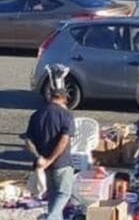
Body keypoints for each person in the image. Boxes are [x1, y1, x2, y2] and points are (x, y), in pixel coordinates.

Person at [23, 87, 76, 220]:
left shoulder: (36, 115)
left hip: (44, 166)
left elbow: (28, 141)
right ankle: (50, 218)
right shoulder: (66, 115)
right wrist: (50, 160)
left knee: (53, 196)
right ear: (64, 98)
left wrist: (38, 157)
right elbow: (63, 141)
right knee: (63, 194)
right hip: (62, 163)